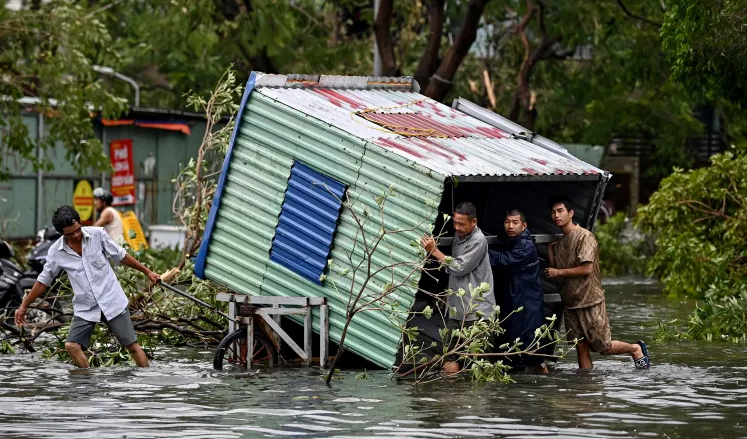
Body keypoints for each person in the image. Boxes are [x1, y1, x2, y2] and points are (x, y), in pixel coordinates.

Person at [15, 205, 160, 368]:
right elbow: (43, 282)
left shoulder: (97, 235)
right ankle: (89, 384)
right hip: (86, 306)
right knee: (71, 346)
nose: (76, 235)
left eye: (78, 229)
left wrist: (148, 272)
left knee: (132, 346)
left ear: (80, 223)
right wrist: (23, 306)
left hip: (111, 300)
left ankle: (146, 383)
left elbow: (121, 256)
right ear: (62, 234)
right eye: (70, 234)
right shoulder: (56, 252)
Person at [544, 195, 650, 370]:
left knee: (603, 347)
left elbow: (586, 269)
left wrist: (558, 271)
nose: (556, 215)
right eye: (553, 212)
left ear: (571, 213)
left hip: (590, 300)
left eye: (560, 211)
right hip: (571, 303)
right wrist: (550, 252)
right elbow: (557, 273)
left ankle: (635, 348)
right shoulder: (561, 242)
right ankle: (587, 388)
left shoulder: (585, 236)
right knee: (581, 349)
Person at [421, 202, 496, 372]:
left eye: (461, 224)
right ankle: (451, 397)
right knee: (449, 356)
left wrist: (434, 251)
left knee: (480, 364)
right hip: (456, 310)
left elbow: (459, 267)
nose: (457, 227)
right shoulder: (458, 236)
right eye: (454, 223)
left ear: (474, 222)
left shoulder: (478, 240)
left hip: (478, 313)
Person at [489, 209, 547, 373]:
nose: (510, 226)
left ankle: (539, 376)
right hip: (517, 298)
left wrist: (483, 251)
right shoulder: (512, 239)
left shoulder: (525, 245)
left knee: (529, 344)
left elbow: (505, 260)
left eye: (515, 222)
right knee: (515, 340)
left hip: (526, 301)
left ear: (524, 225)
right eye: (507, 222)